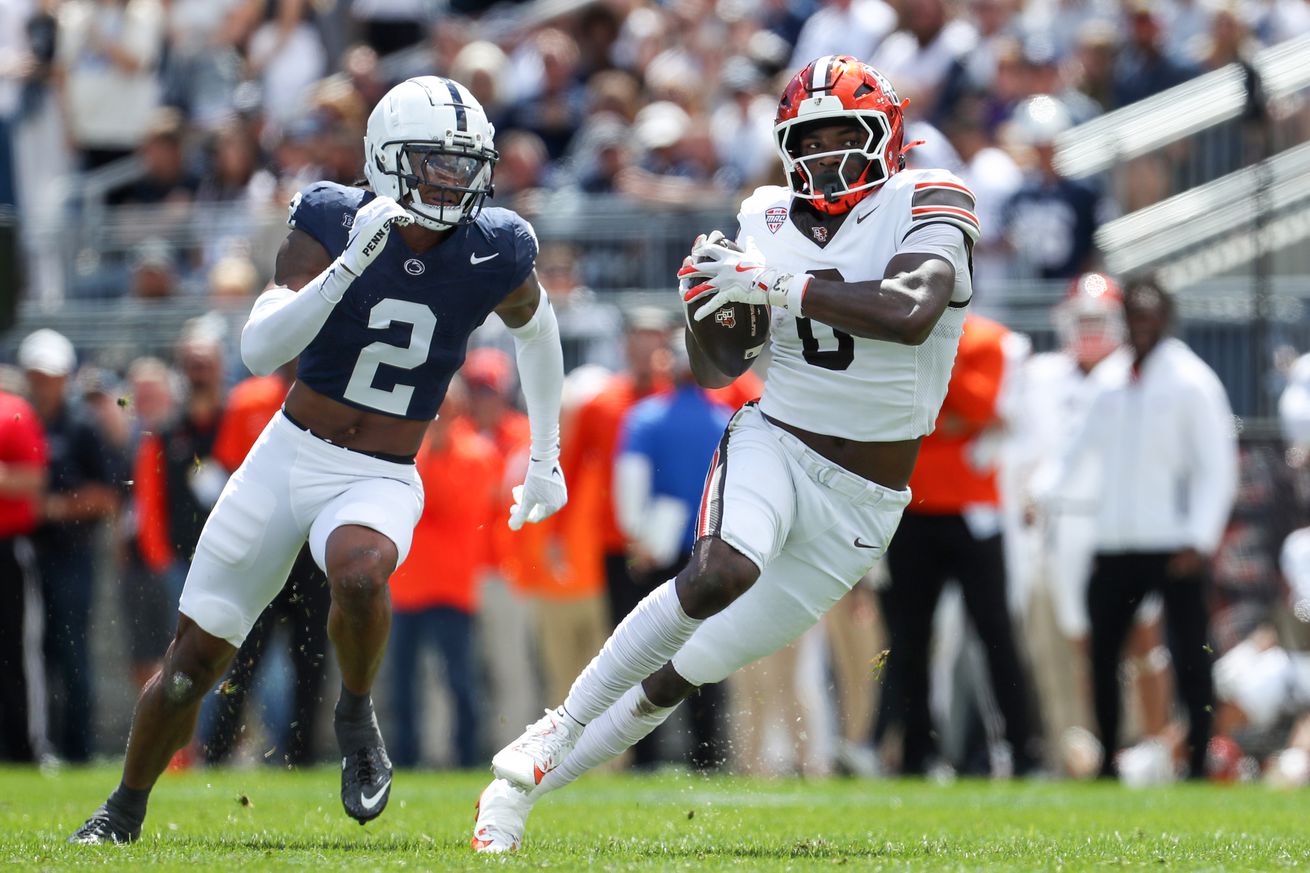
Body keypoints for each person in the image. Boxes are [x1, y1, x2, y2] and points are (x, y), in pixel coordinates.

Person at [473, 55, 980, 851]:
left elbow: (912, 309)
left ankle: (514, 795)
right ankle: (555, 730)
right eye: (808, 140)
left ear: (889, 134)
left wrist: (774, 286)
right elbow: (718, 369)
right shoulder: (767, 216)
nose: (825, 155)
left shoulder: (930, 196)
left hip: (863, 503)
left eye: (845, 133)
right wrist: (706, 309)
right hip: (777, 441)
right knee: (719, 571)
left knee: (683, 671)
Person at [70, 75, 568, 844]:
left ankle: (354, 709)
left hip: (380, 471)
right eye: (435, 161)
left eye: (465, 162)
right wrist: (346, 268)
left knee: (362, 572)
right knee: (189, 664)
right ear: (387, 159)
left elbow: (538, 330)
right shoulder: (334, 217)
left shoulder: (494, 244)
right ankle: (124, 807)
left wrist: (545, 454)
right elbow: (260, 346)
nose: (454, 178)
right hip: (288, 456)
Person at [1041, 277, 1237, 779]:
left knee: (1191, 654)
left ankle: (1196, 757)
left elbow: (1216, 465)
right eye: (1134, 314)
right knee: (1103, 654)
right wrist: (1042, 492)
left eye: (1151, 315)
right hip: (1114, 540)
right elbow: (1074, 449)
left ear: (1165, 318)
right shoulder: (1107, 379)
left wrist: (1200, 537)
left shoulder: (1191, 380)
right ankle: (1108, 758)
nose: (1141, 325)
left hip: (1173, 543)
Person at [876, 313, 1039, 776]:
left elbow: (983, 406)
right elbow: (898, 405)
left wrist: (933, 370)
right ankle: (915, 752)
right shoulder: (899, 331)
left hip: (973, 509)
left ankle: (1024, 747)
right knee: (910, 639)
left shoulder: (991, 338)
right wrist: (947, 416)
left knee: (996, 634)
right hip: (913, 506)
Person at [21, 328, 125, 765]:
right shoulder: (22, 421)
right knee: (34, 654)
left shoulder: (83, 425)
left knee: (70, 649)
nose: (47, 384)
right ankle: (38, 744)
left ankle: (77, 748)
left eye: (53, 376)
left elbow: (107, 496)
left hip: (70, 555)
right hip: (27, 554)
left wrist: (53, 508)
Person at [0, 388, 47, 762]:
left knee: (16, 652)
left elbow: (33, 478)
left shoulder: (13, 410)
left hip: (6, 545)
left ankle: (25, 747)